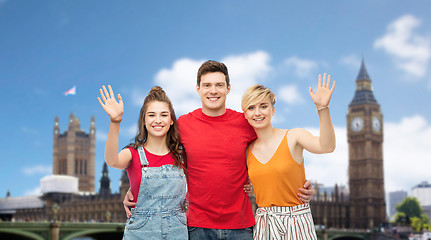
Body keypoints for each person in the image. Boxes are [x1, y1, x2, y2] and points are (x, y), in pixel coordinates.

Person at [123, 60, 315, 240]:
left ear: (228, 88)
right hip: (198, 226)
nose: (213, 91)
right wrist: (137, 185)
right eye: (207, 85)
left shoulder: (246, 122)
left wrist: (300, 182)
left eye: (219, 85)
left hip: (240, 225)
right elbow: (162, 154)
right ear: (198, 89)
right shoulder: (183, 125)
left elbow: (274, 151)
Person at [241, 73, 336, 240]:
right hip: (265, 223)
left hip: (297, 220)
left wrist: (322, 108)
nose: (257, 113)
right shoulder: (246, 151)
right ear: (245, 114)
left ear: (273, 110)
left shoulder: (294, 136)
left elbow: (327, 146)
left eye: (263, 106)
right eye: (251, 108)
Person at [98, 85, 187, 239]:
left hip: (177, 231)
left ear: (172, 120)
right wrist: (115, 122)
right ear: (144, 120)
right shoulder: (133, 154)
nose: (158, 120)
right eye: (151, 115)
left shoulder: (182, 155)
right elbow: (112, 160)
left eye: (164, 115)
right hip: (140, 233)